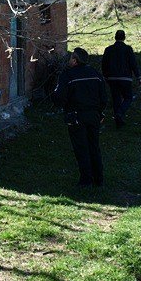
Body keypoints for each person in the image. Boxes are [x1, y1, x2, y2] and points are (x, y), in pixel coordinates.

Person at [52, 47, 108, 187]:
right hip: (94, 115)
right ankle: (99, 178)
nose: (69, 60)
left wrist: (59, 103)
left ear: (75, 60)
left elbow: (59, 96)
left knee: (81, 147)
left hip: (76, 116)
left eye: (71, 58)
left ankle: (86, 180)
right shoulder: (95, 74)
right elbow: (104, 97)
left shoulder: (68, 75)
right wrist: (100, 112)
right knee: (94, 146)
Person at [101, 29, 141, 126]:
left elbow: (104, 64)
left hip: (112, 78)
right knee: (128, 97)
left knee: (116, 98)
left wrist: (106, 76)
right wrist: (138, 76)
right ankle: (120, 113)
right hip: (125, 78)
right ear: (124, 38)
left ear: (115, 37)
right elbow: (133, 63)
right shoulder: (128, 49)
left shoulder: (108, 49)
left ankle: (117, 120)